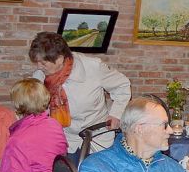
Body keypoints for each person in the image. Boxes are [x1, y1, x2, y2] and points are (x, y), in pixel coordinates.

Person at [29, 32, 131, 162]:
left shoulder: (92, 68)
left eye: (43, 63)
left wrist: (116, 114)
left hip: (96, 137)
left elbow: (122, 85)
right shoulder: (40, 75)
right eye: (37, 62)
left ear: (60, 59)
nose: (38, 67)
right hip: (64, 138)